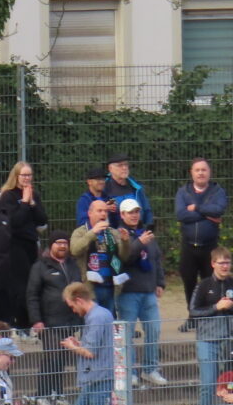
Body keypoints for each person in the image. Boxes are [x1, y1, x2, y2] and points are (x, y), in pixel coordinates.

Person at [116, 198, 167, 388]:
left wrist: (160, 282)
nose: (134, 215)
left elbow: (156, 259)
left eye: (136, 211)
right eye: (130, 212)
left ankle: (150, 368)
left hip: (148, 290)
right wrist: (138, 243)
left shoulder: (146, 233)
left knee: (154, 329)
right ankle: (130, 372)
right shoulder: (118, 234)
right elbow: (123, 259)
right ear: (122, 214)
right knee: (128, 333)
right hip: (128, 291)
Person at [27, 232, 83, 401]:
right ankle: (42, 395)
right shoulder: (40, 267)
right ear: (51, 245)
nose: (62, 246)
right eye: (58, 242)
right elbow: (32, 295)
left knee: (62, 359)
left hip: (70, 321)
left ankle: (58, 394)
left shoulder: (73, 265)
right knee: (51, 358)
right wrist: (36, 320)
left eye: (65, 242)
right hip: (49, 323)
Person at [61, 282, 115, 405]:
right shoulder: (99, 314)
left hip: (101, 377)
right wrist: (79, 344)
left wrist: (72, 346)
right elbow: (96, 344)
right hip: (94, 377)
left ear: (79, 300)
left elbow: (90, 352)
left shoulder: (96, 317)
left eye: (72, 306)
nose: (73, 311)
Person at [178, 158, 226, 320]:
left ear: (209, 172)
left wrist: (197, 208)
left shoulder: (217, 192)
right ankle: (193, 317)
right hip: (188, 247)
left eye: (204, 170)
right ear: (191, 173)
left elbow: (219, 210)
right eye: (197, 170)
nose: (200, 173)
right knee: (189, 282)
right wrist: (207, 215)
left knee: (210, 283)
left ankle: (209, 317)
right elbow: (181, 215)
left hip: (210, 247)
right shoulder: (183, 192)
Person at [190, 249, 233, 405]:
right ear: (213, 263)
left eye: (227, 262)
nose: (225, 266)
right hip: (207, 341)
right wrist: (217, 307)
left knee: (228, 385)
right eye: (221, 263)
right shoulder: (203, 285)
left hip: (229, 342)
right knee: (208, 385)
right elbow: (193, 311)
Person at [0, 162, 46, 328]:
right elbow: (14, 222)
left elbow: (42, 220)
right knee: (21, 286)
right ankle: (19, 324)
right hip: (15, 244)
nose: (27, 178)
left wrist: (32, 203)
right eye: (24, 175)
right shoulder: (8, 196)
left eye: (29, 175)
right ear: (16, 176)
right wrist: (25, 203)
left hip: (31, 243)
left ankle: (31, 321)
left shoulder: (34, 194)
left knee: (33, 283)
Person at [71, 196, 130, 310]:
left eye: (106, 211)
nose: (103, 214)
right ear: (90, 213)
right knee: (94, 318)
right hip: (90, 287)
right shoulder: (80, 232)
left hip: (110, 286)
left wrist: (125, 242)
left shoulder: (113, 233)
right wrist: (92, 233)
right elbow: (75, 250)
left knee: (109, 319)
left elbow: (124, 257)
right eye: (99, 211)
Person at [101, 153, 153, 227]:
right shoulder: (104, 188)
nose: (124, 168)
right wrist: (105, 208)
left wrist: (149, 227)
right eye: (120, 165)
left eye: (126, 164)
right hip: (114, 231)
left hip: (138, 230)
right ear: (110, 168)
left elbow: (146, 209)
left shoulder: (136, 187)